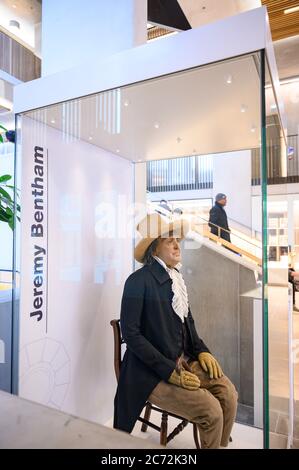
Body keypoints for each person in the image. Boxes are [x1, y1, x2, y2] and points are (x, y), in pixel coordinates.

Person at [113, 213, 238, 449]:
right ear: (154, 248)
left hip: (183, 362)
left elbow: (188, 324)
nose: (176, 244)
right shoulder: (137, 281)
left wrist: (202, 351)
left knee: (228, 394)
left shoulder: (176, 278)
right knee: (211, 410)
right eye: (168, 239)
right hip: (151, 372)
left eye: (176, 239)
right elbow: (131, 334)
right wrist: (169, 371)